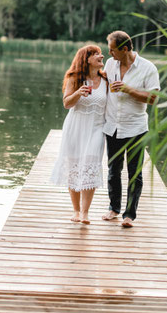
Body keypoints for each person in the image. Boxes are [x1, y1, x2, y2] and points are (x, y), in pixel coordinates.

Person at [102, 30, 160, 228]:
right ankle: (113, 208)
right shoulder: (110, 65)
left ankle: (129, 215)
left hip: (135, 128)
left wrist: (128, 89)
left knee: (135, 173)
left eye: (112, 50)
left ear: (124, 49)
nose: (109, 54)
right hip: (112, 126)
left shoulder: (148, 68)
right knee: (113, 171)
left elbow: (153, 98)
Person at [51, 45, 107, 224]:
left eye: (100, 53)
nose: (101, 55)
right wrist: (78, 93)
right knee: (73, 166)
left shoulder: (106, 79)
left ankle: (85, 212)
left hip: (97, 128)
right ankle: (76, 211)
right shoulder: (75, 78)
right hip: (76, 127)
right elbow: (67, 103)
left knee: (91, 164)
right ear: (87, 59)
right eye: (96, 54)